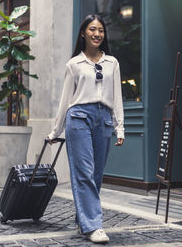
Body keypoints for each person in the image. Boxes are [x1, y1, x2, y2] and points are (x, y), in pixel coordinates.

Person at [47, 14, 124, 243]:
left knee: (96, 175)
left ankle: (84, 219)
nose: (97, 34)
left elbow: (117, 97)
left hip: (104, 119)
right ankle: (93, 226)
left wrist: (120, 127)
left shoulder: (112, 63)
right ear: (83, 33)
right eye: (92, 29)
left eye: (100, 30)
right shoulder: (74, 64)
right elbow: (65, 100)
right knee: (83, 174)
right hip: (79, 117)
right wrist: (55, 130)